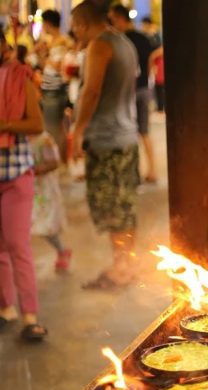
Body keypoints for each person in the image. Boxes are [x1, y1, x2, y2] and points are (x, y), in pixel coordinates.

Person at [70, 1, 140, 290]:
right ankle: (124, 264)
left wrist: (77, 131)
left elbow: (92, 91)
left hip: (107, 141)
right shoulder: (123, 42)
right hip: (125, 136)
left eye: (75, 27)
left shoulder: (100, 45)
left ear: (84, 24)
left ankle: (121, 269)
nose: (74, 33)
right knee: (124, 206)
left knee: (113, 208)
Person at [0, 32, 48, 340]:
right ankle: (7, 309)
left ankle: (31, 316)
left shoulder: (21, 78)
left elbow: (36, 124)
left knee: (18, 246)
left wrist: (4, 125)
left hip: (16, 176)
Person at [108, 4, 157, 184]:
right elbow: (153, 55)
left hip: (128, 92)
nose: (111, 24)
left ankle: (132, 172)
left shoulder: (120, 41)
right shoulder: (143, 38)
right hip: (144, 88)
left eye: (113, 20)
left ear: (120, 19)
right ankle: (152, 170)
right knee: (144, 132)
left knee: (128, 133)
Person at [30, 132, 71, 272]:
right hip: (26, 189)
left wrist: (32, 170)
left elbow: (54, 163)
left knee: (45, 226)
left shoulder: (44, 140)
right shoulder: (17, 137)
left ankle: (62, 251)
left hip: (43, 192)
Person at [37, 9, 73, 163]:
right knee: (56, 127)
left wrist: (46, 56)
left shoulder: (63, 42)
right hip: (49, 88)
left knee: (53, 128)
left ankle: (59, 161)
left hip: (55, 90)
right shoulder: (50, 42)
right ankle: (60, 160)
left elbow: (61, 67)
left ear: (48, 23)